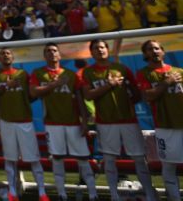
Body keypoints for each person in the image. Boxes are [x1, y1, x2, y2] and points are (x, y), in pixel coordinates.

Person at [79, 39, 157, 201]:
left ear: (107, 50)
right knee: (109, 159)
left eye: (102, 47)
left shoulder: (122, 68)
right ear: (91, 53)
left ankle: (149, 195)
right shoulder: (88, 72)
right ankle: (114, 196)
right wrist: (109, 85)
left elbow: (137, 95)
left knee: (138, 159)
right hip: (105, 122)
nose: (100, 50)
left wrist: (126, 96)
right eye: (96, 48)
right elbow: (88, 95)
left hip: (128, 120)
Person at [29, 43, 97, 201]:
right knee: (57, 157)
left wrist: (85, 121)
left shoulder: (71, 74)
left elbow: (80, 97)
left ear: (59, 55)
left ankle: (93, 194)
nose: (52, 53)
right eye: (48, 51)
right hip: (52, 123)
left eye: (54, 51)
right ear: (44, 56)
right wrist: (55, 84)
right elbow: (33, 92)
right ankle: (62, 194)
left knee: (83, 158)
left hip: (73, 122)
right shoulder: (38, 73)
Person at [0, 49, 48, 201]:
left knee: (33, 158)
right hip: (6, 121)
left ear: (13, 57)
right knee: (10, 159)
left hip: (25, 121)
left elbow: (31, 96)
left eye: (8, 53)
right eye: (2, 54)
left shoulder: (23, 74)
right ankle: (12, 192)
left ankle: (42, 193)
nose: (5, 55)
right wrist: (5, 86)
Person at [136, 40, 183, 201]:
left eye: (157, 48)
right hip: (165, 125)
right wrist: (167, 83)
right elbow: (148, 96)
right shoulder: (144, 73)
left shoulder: (179, 71)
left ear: (163, 51)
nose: (154, 51)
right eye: (149, 49)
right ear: (145, 54)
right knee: (168, 165)